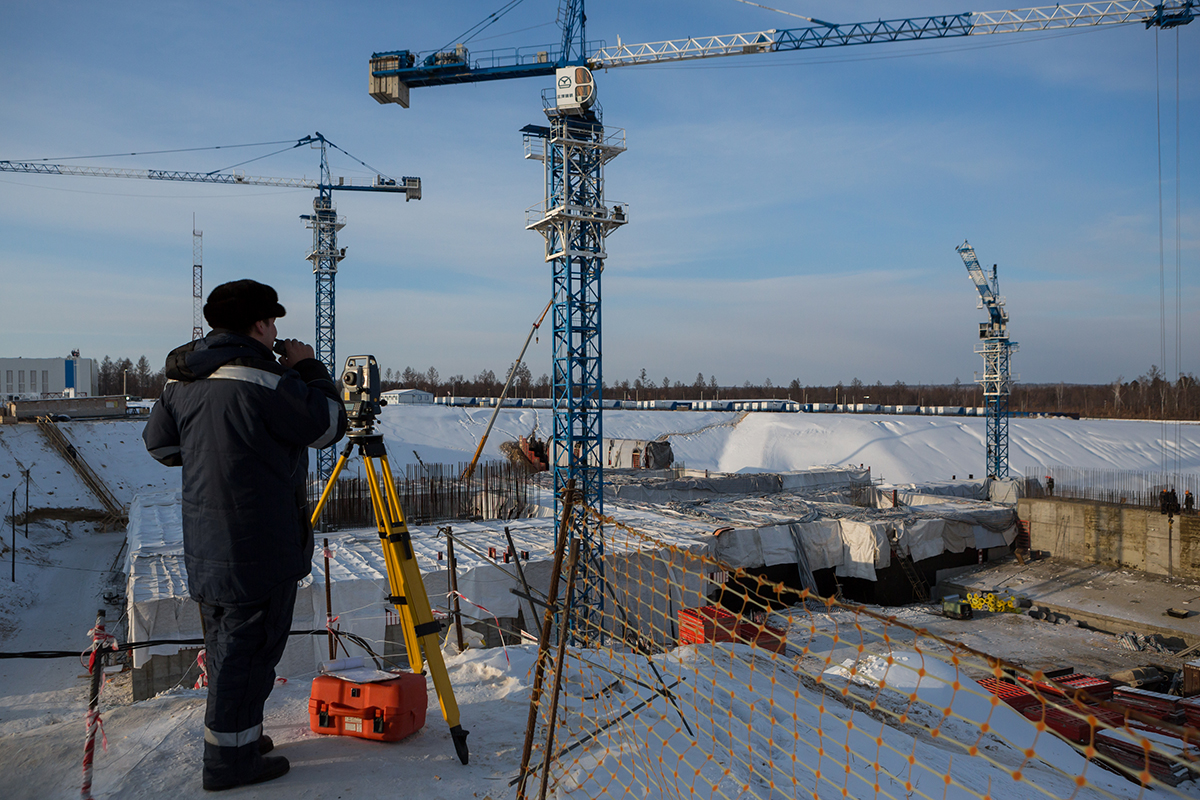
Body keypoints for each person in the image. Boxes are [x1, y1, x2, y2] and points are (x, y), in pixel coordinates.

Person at [143, 279, 347, 791]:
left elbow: (161, 447)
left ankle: (240, 738)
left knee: (228, 649)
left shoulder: (183, 379)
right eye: (273, 322)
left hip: (207, 545)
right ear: (259, 324)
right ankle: (230, 763)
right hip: (259, 545)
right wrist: (307, 367)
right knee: (248, 656)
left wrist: (217, 448)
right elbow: (327, 424)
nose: (277, 331)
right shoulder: (267, 379)